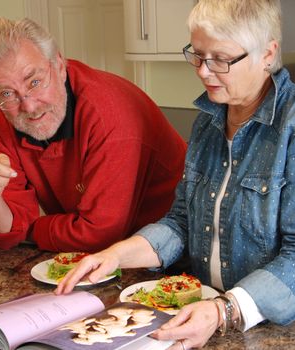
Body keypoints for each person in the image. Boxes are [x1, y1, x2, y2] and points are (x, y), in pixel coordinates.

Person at [56, 0, 295, 348]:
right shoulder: (208, 122)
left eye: (220, 59)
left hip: (273, 329)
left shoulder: (289, 128)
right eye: (197, 55)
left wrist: (224, 310)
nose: (202, 70)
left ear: (268, 54)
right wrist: (114, 256)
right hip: (205, 316)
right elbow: (181, 222)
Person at [0, 17, 187, 252]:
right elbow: (5, 232)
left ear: (60, 66)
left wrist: (30, 230)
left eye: (34, 82)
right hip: (91, 255)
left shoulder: (109, 114)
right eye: (7, 93)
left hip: (166, 251)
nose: (29, 106)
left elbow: (100, 234)